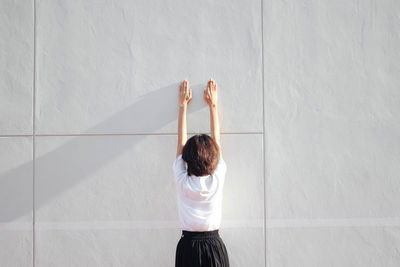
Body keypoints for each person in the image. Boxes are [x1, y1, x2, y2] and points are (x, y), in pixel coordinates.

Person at [172, 79, 230, 267]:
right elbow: (217, 143)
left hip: (188, 246)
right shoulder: (216, 180)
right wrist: (213, 106)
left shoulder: (182, 181)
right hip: (213, 246)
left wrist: (182, 107)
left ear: (188, 159)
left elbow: (180, 145)